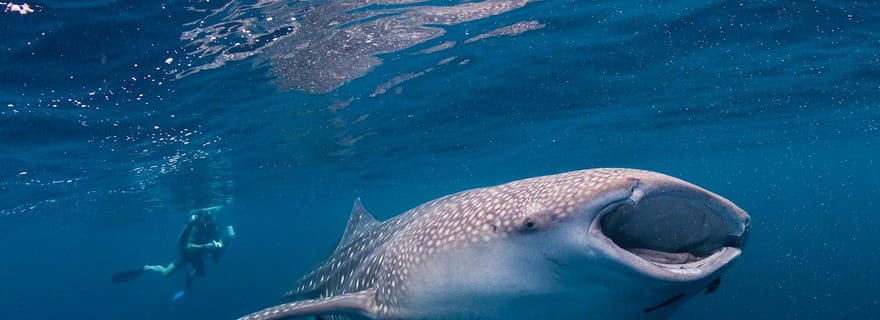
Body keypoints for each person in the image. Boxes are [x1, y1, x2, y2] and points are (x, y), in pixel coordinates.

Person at [111, 206, 235, 301]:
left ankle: (188, 281)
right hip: (187, 255)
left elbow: (216, 259)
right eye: (206, 221)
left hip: (198, 257)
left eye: (210, 221)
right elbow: (187, 247)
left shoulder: (214, 229)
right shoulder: (195, 228)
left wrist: (225, 244)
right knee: (165, 273)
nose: (208, 224)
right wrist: (206, 246)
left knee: (200, 273)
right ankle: (146, 268)